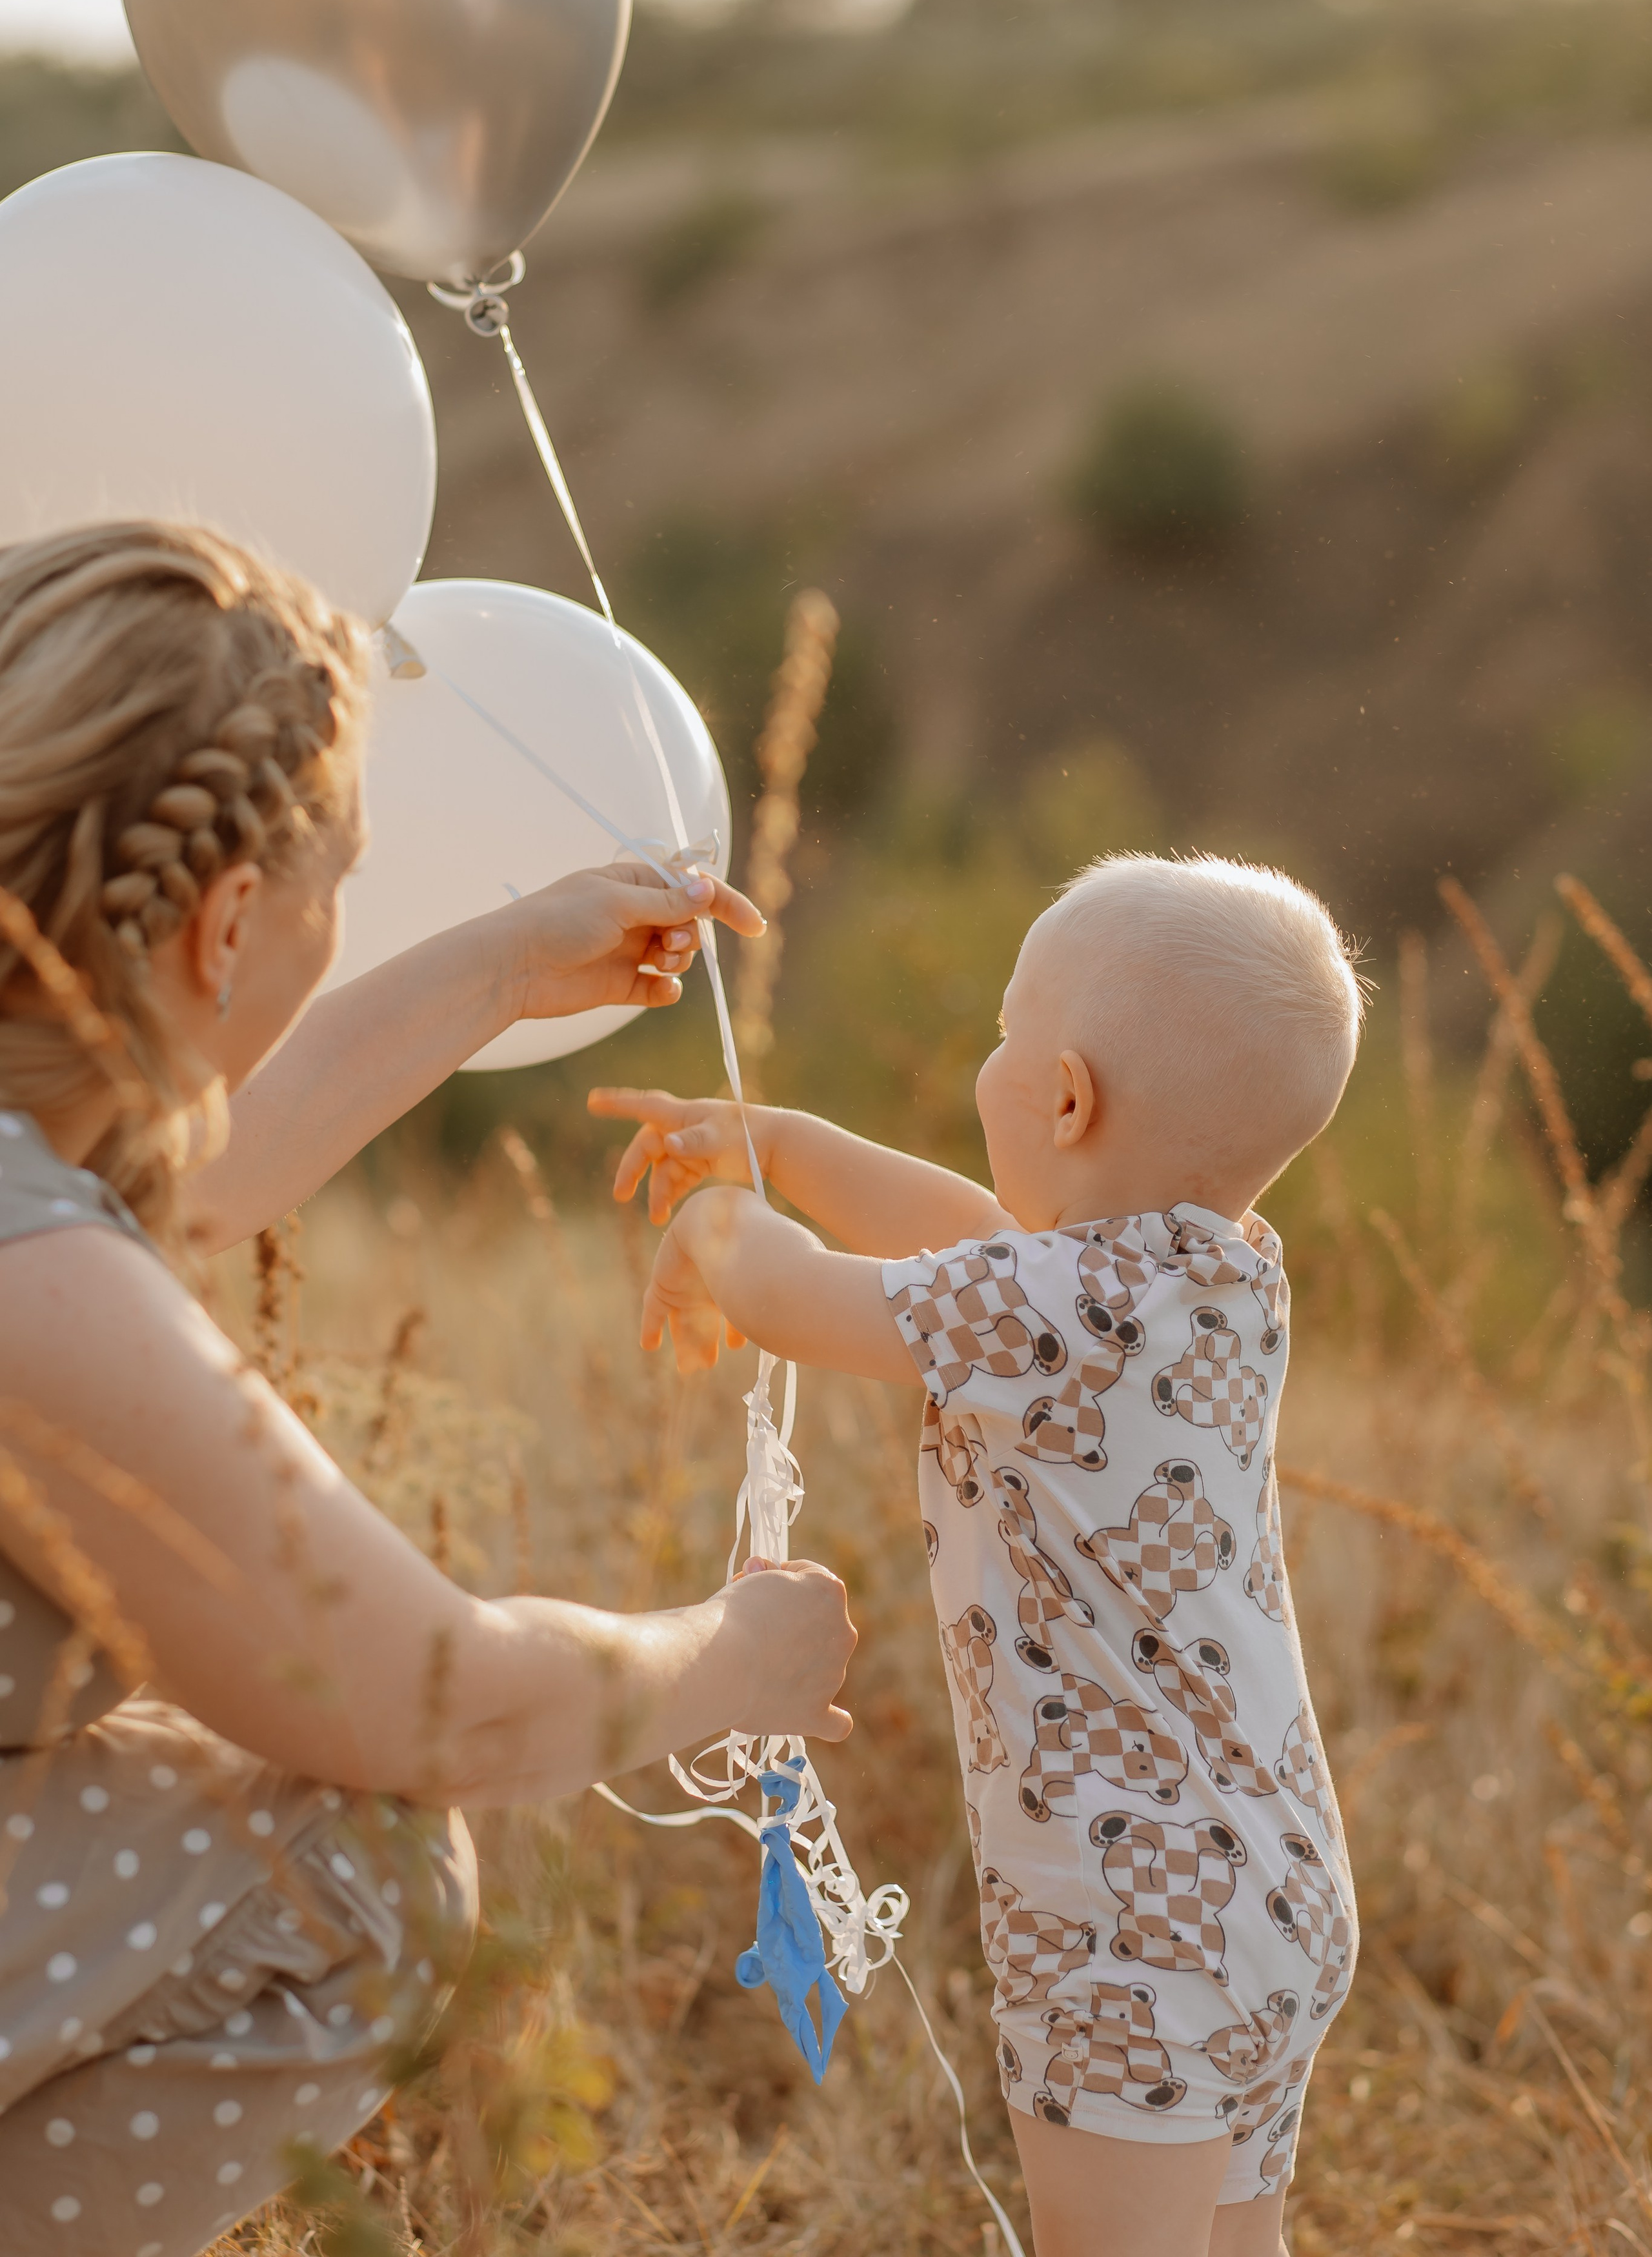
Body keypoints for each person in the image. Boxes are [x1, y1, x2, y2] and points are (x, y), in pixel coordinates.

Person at [0, 521, 858, 2256]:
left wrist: (501, 967)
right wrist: (733, 1657)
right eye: (343, 886)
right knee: (354, 1870)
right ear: (228, 925)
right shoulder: (36, 1277)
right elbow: (436, 1707)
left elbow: (181, 1180)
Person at [592, 853, 1365, 2257]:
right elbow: (983, 1243)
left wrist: (718, 1223)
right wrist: (784, 1147)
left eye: (1005, 1035)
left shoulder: (1047, 1308)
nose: (986, 1063)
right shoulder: (1219, 1281)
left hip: (1129, 1920)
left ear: (1065, 1098)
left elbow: (794, 1296)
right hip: (1280, 1892)